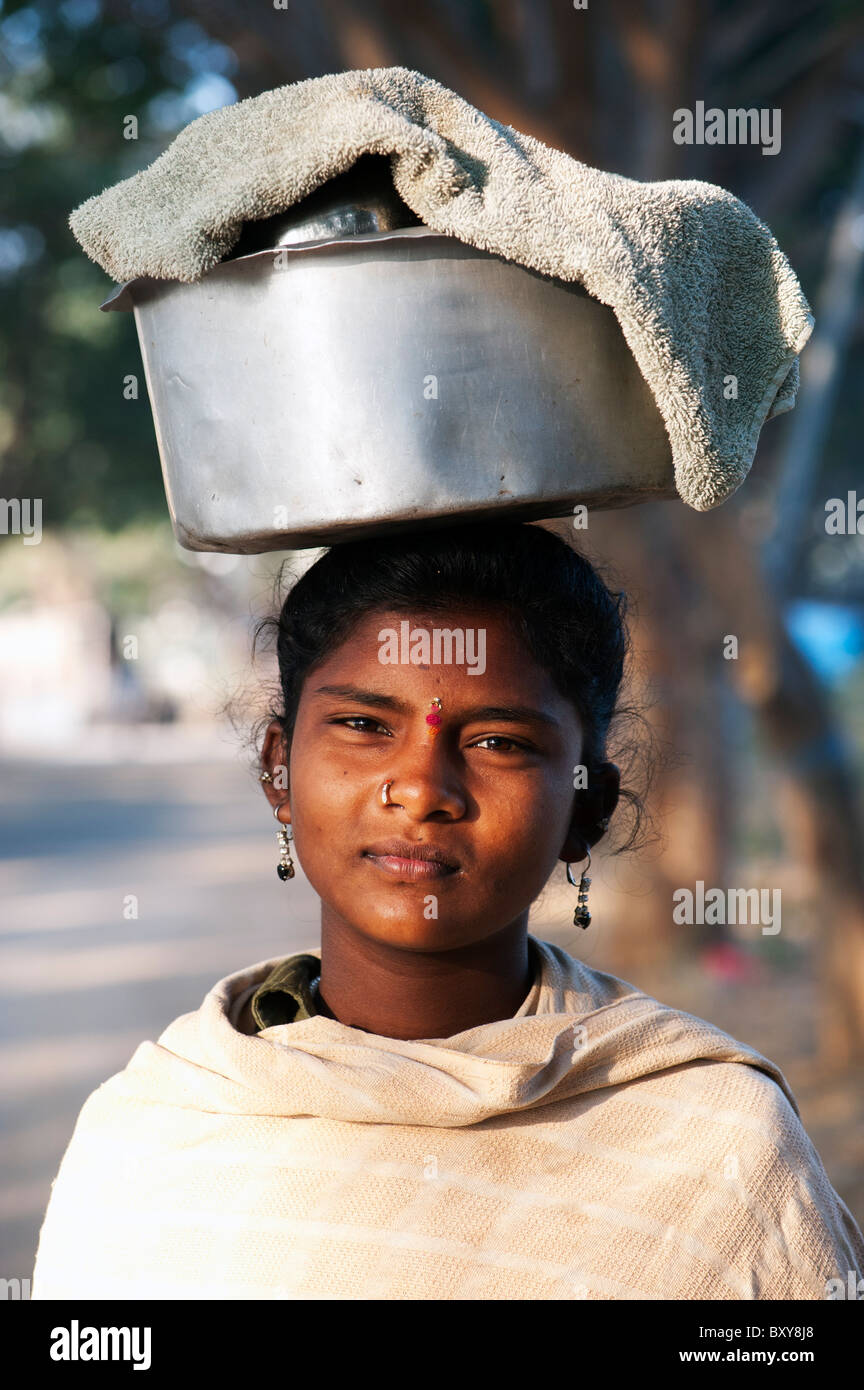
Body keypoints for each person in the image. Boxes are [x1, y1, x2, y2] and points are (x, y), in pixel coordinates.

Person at [32, 522, 864, 1300]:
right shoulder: (155, 1129)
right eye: (363, 725)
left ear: (587, 807)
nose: (422, 789)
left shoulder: (716, 1145)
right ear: (279, 769)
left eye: (498, 742)